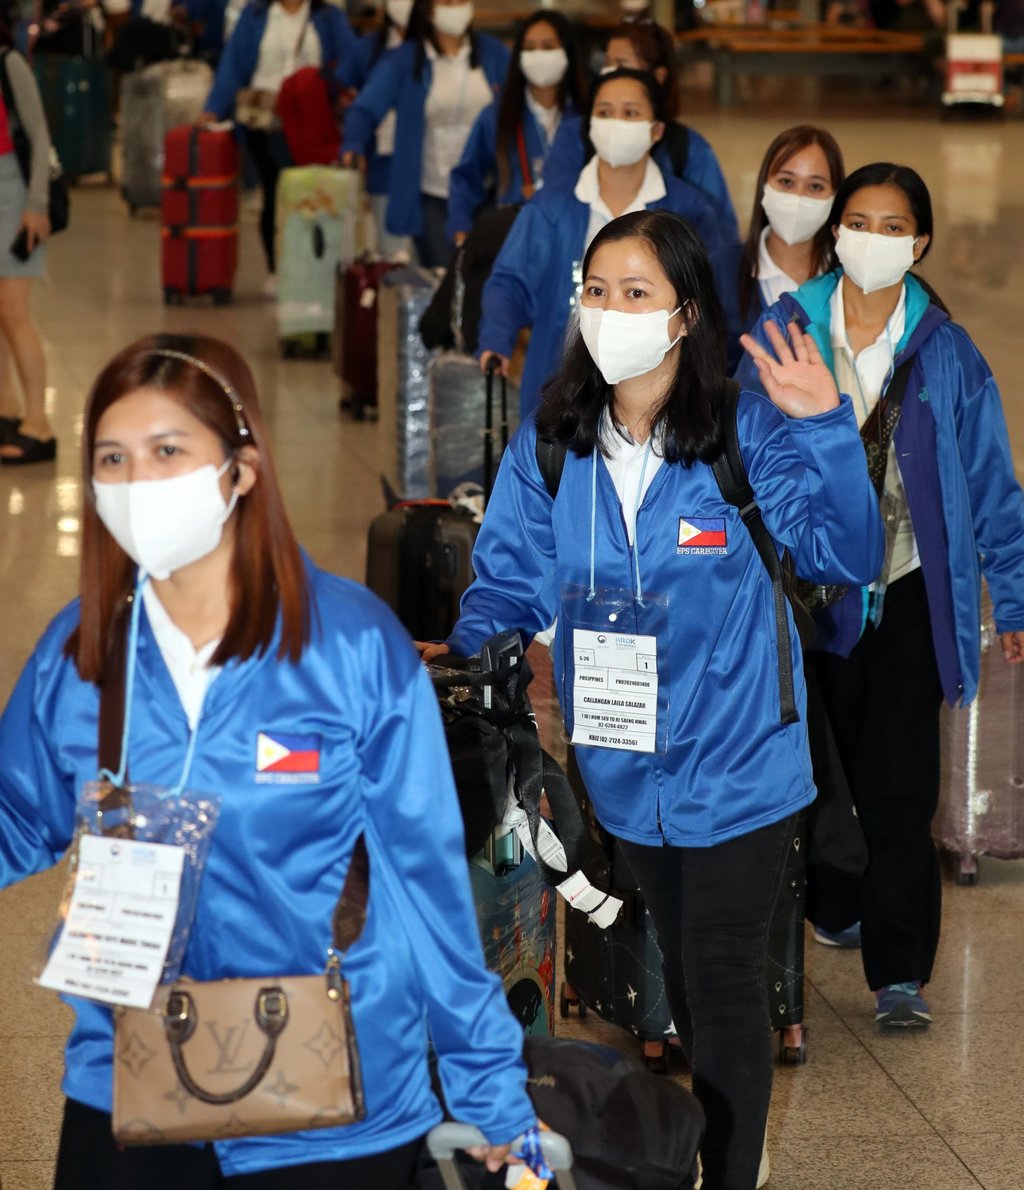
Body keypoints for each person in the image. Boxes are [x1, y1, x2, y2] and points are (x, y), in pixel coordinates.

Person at [0, 333, 537, 1187]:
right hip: (130, 1076)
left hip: (336, 1095)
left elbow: (424, 886)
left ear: (241, 468)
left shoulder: (351, 646)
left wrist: (491, 1092)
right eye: (113, 458)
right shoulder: (81, 654)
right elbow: (15, 814)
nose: (137, 483)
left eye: (168, 451)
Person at [421, 209, 884, 1189]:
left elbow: (843, 553)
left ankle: (728, 1170)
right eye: (597, 290)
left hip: (742, 765)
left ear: (682, 317)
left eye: (636, 293)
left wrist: (824, 428)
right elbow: (508, 583)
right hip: (620, 768)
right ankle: (703, 1155)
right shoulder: (554, 443)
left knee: (718, 977)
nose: (610, 310)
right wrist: (460, 665)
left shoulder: (740, 432)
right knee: (671, 962)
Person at [738, 163, 1024, 1028]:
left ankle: (899, 973)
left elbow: (992, 484)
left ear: (922, 242)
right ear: (835, 235)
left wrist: (1010, 598)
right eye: (858, 222)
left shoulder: (947, 352)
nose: (874, 239)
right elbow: (745, 457)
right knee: (809, 776)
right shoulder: (787, 329)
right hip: (805, 599)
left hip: (902, 597)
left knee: (899, 789)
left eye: (894, 226)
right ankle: (829, 906)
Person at [477, 68, 728, 419]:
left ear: (656, 130)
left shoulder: (688, 208)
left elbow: (712, 299)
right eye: (605, 112)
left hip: (657, 392)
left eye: (630, 113)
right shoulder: (553, 204)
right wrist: (497, 337)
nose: (616, 124)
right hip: (559, 381)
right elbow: (509, 280)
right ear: (590, 125)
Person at [200, 0, 356, 292]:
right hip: (265, 118)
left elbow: (349, 59)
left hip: (311, 119)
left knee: (313, 193)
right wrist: (214, 107)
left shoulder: (327, 17)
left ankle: (313, 265)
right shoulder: (256, 15)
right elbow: (233, 63)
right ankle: (277, 267)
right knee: (275, 190)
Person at [340, 0, 509, 268]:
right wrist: (354, 144)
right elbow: (365, 108)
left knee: (488, 274)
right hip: (432, 189)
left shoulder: (493, 53)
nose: (455, 7)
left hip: (486, 188)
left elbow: (517, 104)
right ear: (429, 9)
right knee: (444, 273)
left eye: (461, 0)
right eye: (446, 1)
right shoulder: (405, 59)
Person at [542, 20, 737, 241]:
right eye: (607, 63)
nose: (611, 73)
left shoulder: (689, 150)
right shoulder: (575, 134)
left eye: (622, 64)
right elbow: (549, 212)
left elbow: (721, 239)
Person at [445, 10, 587, 246]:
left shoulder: (587, 115)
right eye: (529, 48)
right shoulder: (498, 114)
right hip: (512, 238)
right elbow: (466, 177)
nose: (538, 55)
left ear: (568, 52)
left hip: (575, 238)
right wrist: (461, 229)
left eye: (548, 46)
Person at [711, 125, 844, 374]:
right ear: (764, 186)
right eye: (786, 182)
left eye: (815, 186)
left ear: (835, 197)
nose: (798, 197)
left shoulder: (848, 276)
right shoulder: (719, 270)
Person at [0, 36, 56, 464]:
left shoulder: (9, 61)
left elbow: (38, 134)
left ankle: (39, 422)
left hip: (13, 193)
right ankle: (6, 409)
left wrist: (37, 204)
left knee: (14, 311)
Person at [337, 0, 413, 258]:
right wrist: (354, 143)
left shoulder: (454, 53)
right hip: (384, 163)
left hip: (436, 167)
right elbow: (352, 102)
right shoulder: (368, 50)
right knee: (395, 255)